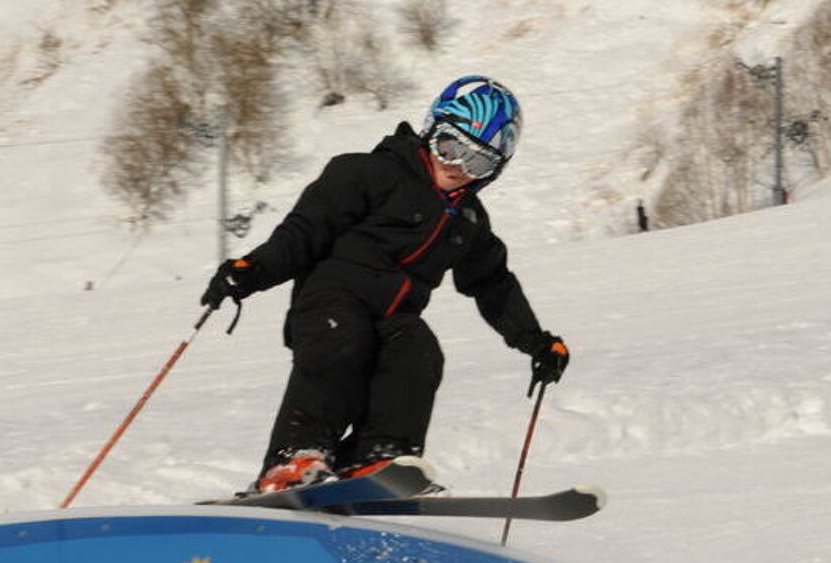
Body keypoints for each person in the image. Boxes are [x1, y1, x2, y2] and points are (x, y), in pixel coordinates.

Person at [201, 75, 570, 494]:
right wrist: (250, 271)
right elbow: (303, 233)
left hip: (392, 319)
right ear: (431, 130)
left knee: (418, 349)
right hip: (330, 303)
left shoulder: (468, 222)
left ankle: (377, 458)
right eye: (449, 146)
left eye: (478, 162)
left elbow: (492, 284)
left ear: (493, 173)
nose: (457, 166)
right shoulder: (366, 173)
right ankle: (294, 458)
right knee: (344, 335)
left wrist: (537, 342)